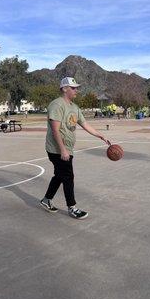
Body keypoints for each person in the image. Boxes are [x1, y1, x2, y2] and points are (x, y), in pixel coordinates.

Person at [40, 77, 110, 220]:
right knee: (68, 176)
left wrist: (100, 135)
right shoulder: (56, 105)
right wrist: (63, 150)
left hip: (67, 149)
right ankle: (72, 207)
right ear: (65, 89)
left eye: (76, 87)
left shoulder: (74, 107)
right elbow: (55, 130)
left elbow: (85, 124)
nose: (76, 90)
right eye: (73, 88)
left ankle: (46, 200)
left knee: (60, 175)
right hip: (56, 149)